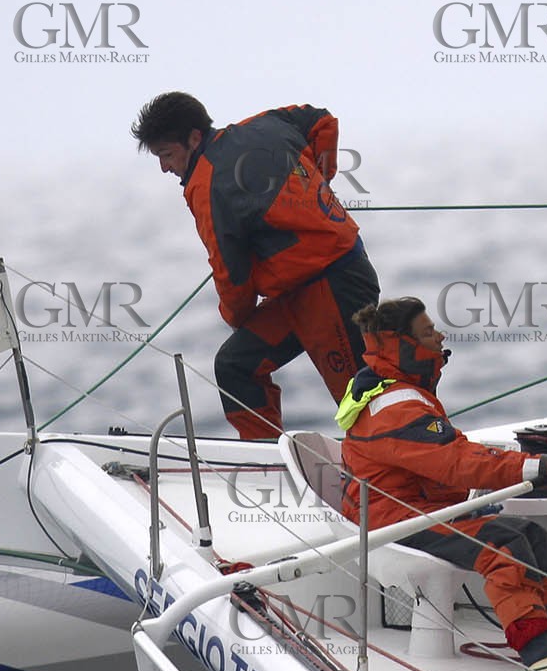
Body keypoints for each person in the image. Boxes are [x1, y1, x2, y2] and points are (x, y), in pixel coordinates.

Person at [335, 297, 547, 671]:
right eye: (428, 332)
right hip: (393, 520)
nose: (440, 336)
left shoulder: (395, 393)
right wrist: (535, 466)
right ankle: (539, 650)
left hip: (414, 509)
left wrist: (521, 467)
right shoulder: (396, 408)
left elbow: (450, 457)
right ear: (402, 346)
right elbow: (455, 462)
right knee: (501, 548)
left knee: (531, 535)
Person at [131, 92, 380, 439]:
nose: (164, 168)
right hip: (301, 291)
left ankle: (412, 485)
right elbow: (321, 120)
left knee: (362, 405)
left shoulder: (206, 184)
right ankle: (264, 463)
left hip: (332, 287)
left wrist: (237, 319)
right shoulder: (267, 124)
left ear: (194, 138)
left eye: (167, 155)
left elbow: (230, 273)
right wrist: (316, 182)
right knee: (235, 366)